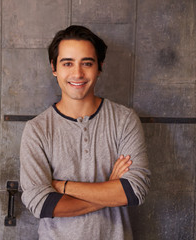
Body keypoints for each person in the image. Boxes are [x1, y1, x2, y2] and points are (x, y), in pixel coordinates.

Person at [20, 25, 151, 239]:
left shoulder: (124, 120)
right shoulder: (37, 130)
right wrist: (110, 190)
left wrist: (62, 186)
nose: (77, 73)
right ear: (54, 67)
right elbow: (42, 205)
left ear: (100, 67)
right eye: (68, 63)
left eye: (87, 63)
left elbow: (133, 191)